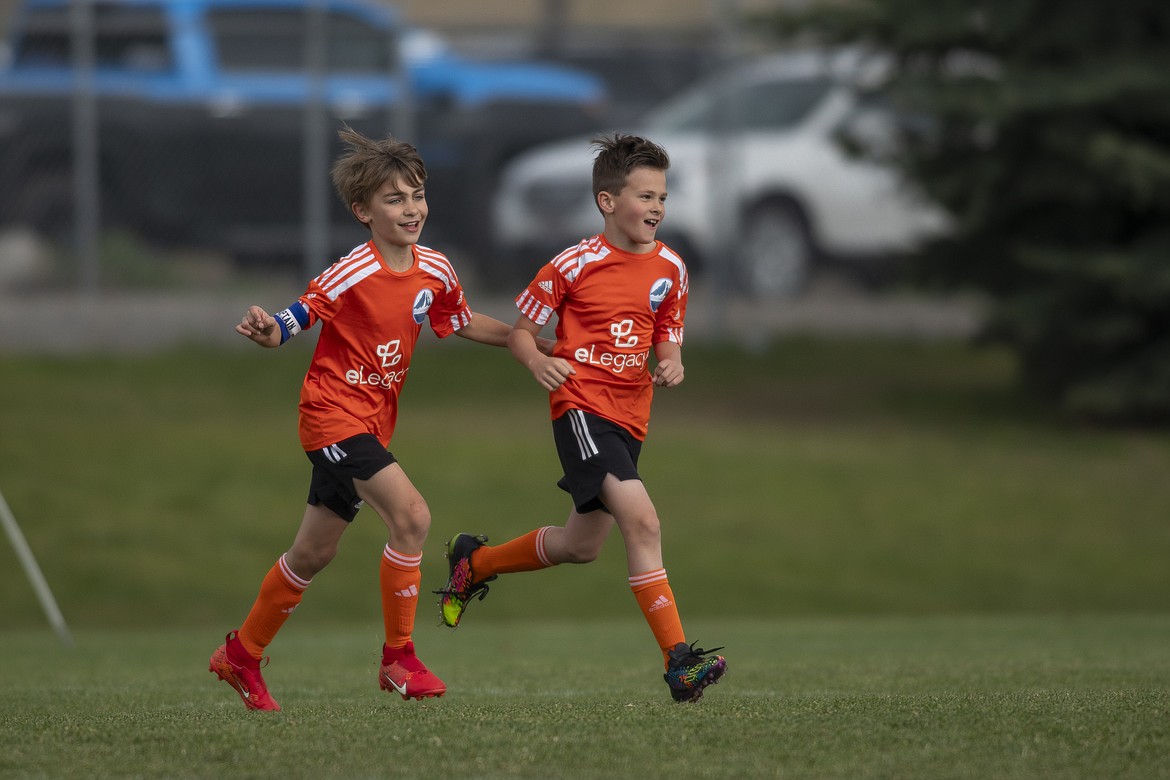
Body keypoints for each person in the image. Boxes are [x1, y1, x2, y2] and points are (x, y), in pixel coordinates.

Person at [209, 127, 544, 711]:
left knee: (313, 554)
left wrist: (535, 341)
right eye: (395, 199)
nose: (411, 208)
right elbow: (299, 315)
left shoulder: (436, 268)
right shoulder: (353, 270)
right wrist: (270, 332)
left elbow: (460, 321)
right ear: (363, 211)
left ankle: (241, 655)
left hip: (370, 424)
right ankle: (399, 660)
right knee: (412, 516)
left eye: (416, 194)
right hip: (331, 416)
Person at [435, 133, 727, 703]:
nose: (657, 207)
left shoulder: (672, 267)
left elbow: (667, 337)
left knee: (581, 544)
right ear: (607, 202)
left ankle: (476, 561)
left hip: (630, 417)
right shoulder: (573, 264)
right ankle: (679, 662)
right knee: (642, 522)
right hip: (580, 407)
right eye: (645, 195)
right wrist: (537, 363)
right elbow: (521, 333)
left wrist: (672, 365)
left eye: (662, 196)